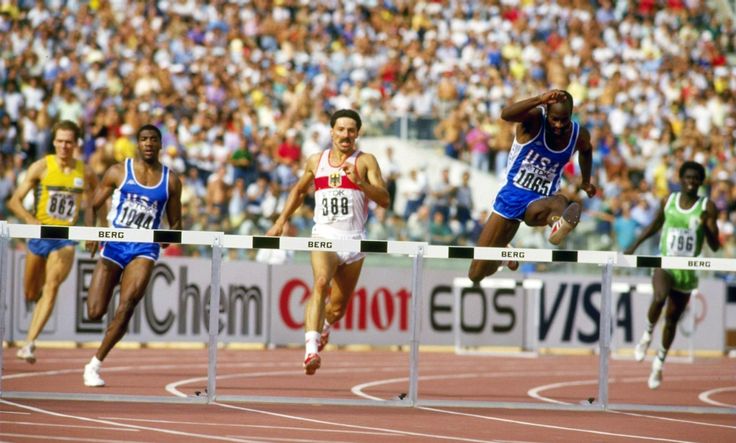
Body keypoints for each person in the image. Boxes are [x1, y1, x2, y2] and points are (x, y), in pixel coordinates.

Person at [266, 109, 389, 375]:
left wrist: (360, 183)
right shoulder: (316, 160)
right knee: (321, 282)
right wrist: (281, 221)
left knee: (337, 308)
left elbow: (384, 199)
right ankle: (311, 350)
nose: (346, 135)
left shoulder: (365, 161)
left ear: (357, 134)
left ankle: (324, 327)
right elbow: (299, 191)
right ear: (331, 132)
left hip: (354, 241)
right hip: (324, 236)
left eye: (351, 130)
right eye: (341, 130)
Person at [82, 124, 182, 387]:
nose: (148, 143)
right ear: (138, 143)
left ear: (160, 145)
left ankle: (94, 364)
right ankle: (102, 335)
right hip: (115, 245)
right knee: (94, 312)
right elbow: (92, 203)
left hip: (144, 249)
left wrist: (167, 238)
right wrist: (94, 231)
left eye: (153, 139)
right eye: (144, 139)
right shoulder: (118, 171)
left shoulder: (170, 180)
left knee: (127, 306)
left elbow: (177, 223)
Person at [468, 90, 596, 283]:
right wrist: (539, 100)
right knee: (476, 274)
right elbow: (506, 115)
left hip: (540, 201)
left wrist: (586, 181)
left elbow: (586, 151)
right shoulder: (535, 120)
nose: (559, 125)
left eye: (564, 120)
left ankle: (557, 224)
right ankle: (504, 256)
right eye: (554, 119)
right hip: (511, 198)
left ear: (571, 115)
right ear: (547, 112)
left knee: (560, 200)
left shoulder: (578, 134)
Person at [8, 120, 97, 364]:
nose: (64, 146)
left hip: (65, 238)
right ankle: (34, 310)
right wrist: (29, 219)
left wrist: (91, 231)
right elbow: (14, 201)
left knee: (53, 285)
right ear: (54, 142)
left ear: (76, 144)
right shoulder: (41, 167)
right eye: (60, 141)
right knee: (30, 291)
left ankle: (30, 343)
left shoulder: (85, 171)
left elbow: (93, 203)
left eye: (69, 142)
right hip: (39, 235)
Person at [626, 161, 719, 390]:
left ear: (701, 182)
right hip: (665, 261)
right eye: (687, 177)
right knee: (659, 297)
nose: (691, 182)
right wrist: (634, 245)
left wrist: (706, 225)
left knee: (672, 320)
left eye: (696, 178)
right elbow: (655, 225)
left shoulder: (707, 206)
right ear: (680, 178)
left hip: (687, 270)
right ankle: (647, 335)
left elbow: (715, 246)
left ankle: (659, 363)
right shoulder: (669, 201)